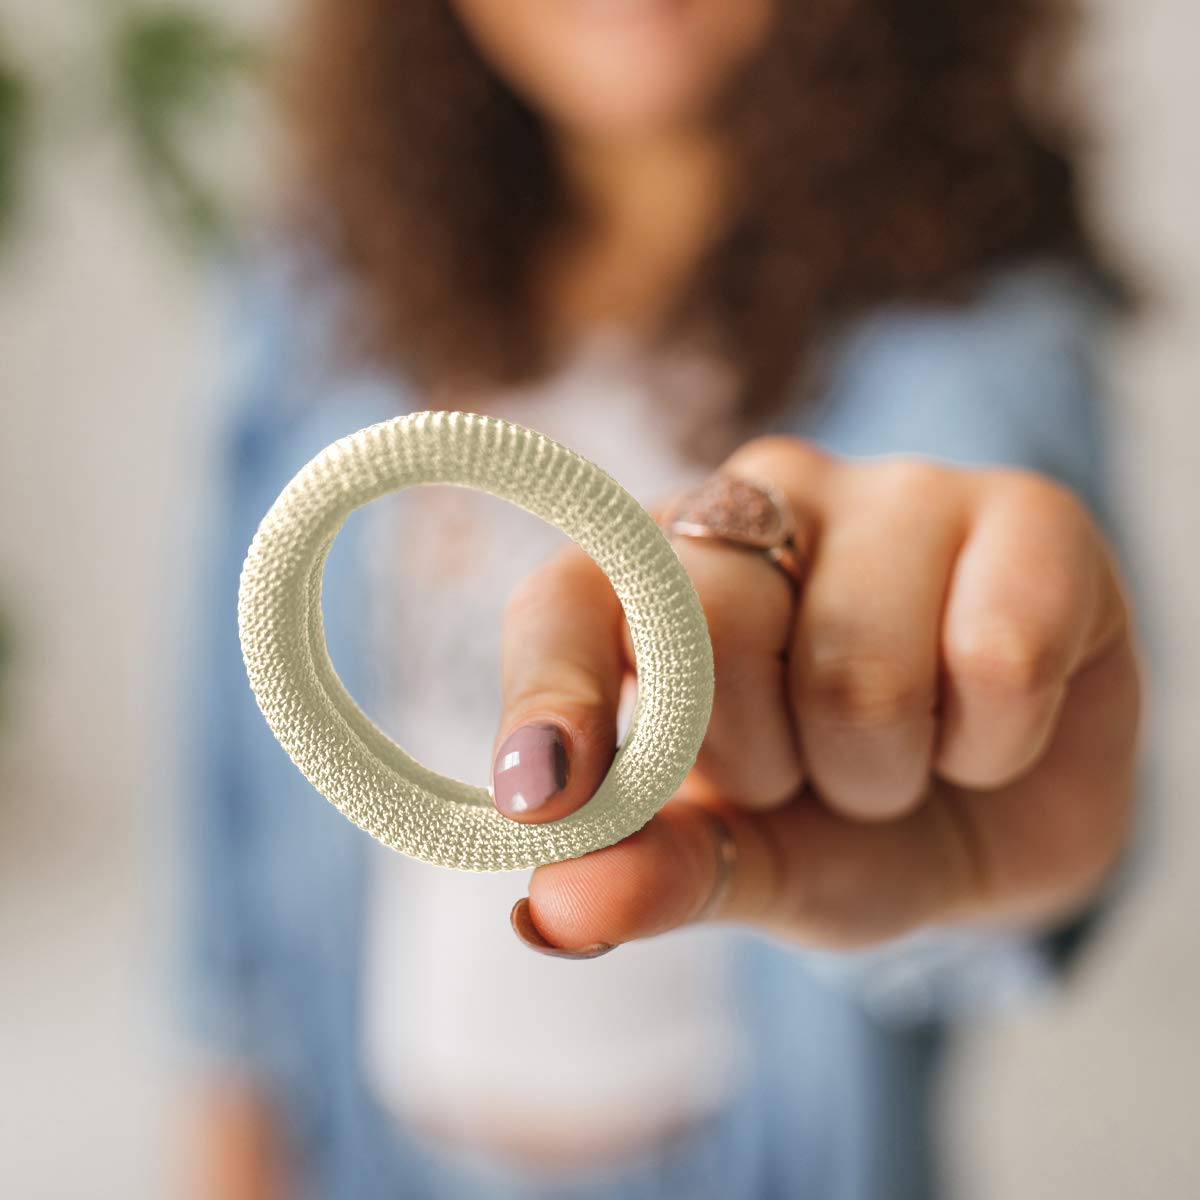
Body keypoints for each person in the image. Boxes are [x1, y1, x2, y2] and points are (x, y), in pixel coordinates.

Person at [176, 1, 1143, 1197]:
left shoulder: (964, 331)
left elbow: (994, 838)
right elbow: (228, 763)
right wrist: (228, 1129)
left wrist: (979, 784)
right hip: (369, 1146)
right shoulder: (326, 273)